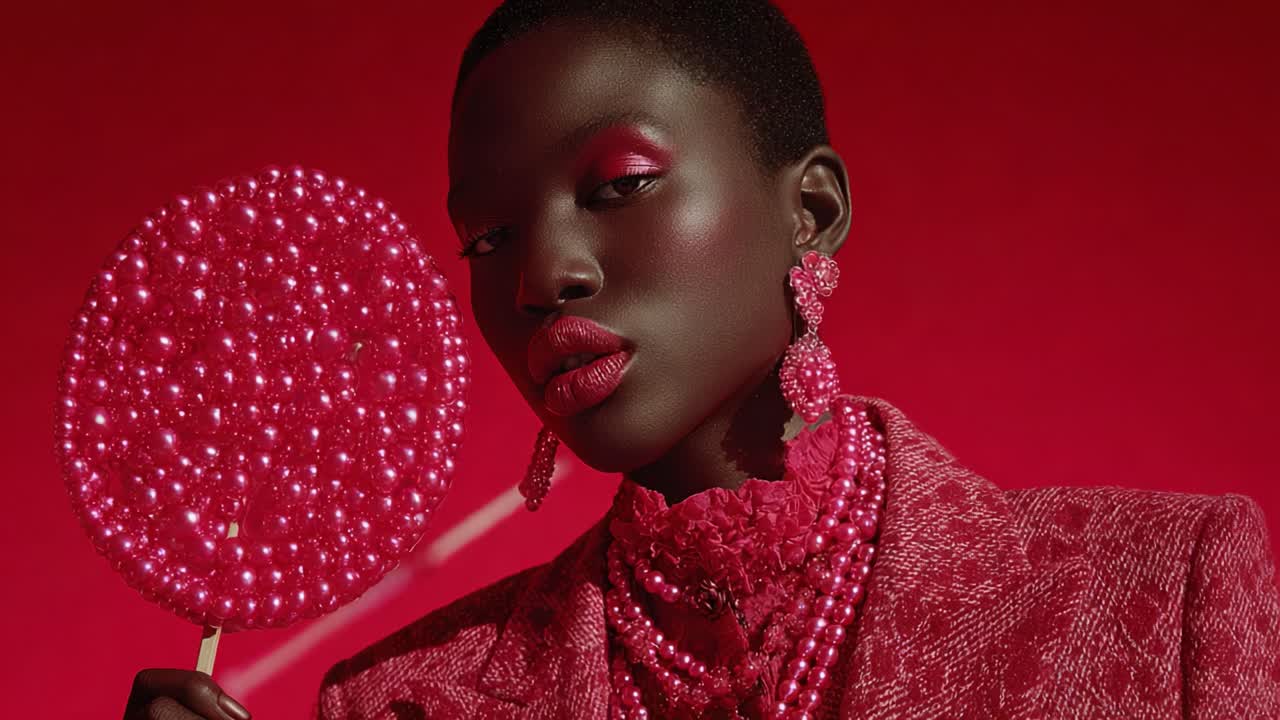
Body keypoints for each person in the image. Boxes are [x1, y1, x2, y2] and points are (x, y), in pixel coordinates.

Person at [123, 1, 1280, 718]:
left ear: (810, 213)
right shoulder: (404, 702)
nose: (542, 277)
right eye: (487, 237)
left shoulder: (1156, 595)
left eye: (618, 186)